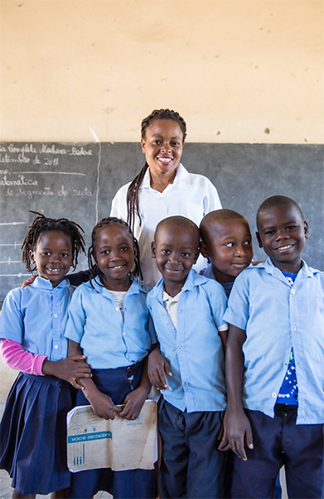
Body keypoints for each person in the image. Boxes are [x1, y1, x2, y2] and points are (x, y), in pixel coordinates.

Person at [220, 195, 324, 499]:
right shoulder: (249, 282)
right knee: (250, 492)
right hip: (257, 415)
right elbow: (234, 346)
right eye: (270, 232)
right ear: (260, 240)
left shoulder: (320, 286)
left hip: (312, 417)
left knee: (311, 492)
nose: (281, 237)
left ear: (305, 228)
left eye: (290, 227)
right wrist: (234, 410)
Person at [64, 216, 157, 499]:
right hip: (94, 389)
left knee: (133, 468)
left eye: (123, 248)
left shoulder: (147, 295)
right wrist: (91, 394)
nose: (115, 257)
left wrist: (143, 390)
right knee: (87, 466)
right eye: (105, 251)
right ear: (94, 256)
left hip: (135, 392)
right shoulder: (83, 295)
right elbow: (73, 353)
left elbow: (154, 348)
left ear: (134, 251)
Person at [0, 212, 91, 499]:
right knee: (29, 472)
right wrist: (53, 367)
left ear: (73, 259)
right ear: (32, 254)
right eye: (46, 253)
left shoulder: (79, 295)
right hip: (34, 393)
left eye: (64, 254)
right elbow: (10, 352)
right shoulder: (19, 297)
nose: (55, 260)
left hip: (71, 393)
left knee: (65, 469)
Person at [147, 216, 228, 498]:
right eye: (166, 250)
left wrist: (233, 405)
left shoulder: (211, 293)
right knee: (171, 478)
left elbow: (229, 347)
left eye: (185, 253)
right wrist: (154, 352)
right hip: (173, 404)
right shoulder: (152, 299)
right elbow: (156, 339)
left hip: (210, 407)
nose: (174, 260)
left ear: (197, 255)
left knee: (204, 484)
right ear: (153, 250)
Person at [110, 108, 222, 288]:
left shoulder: (201, 187)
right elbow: (116, 247)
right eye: (157, 141)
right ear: (143, 144)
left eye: (174, 143)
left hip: (195, 293)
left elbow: (218, 242)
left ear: (182, 146)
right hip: (143, 295)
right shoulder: (126, 195)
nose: (166, 149)